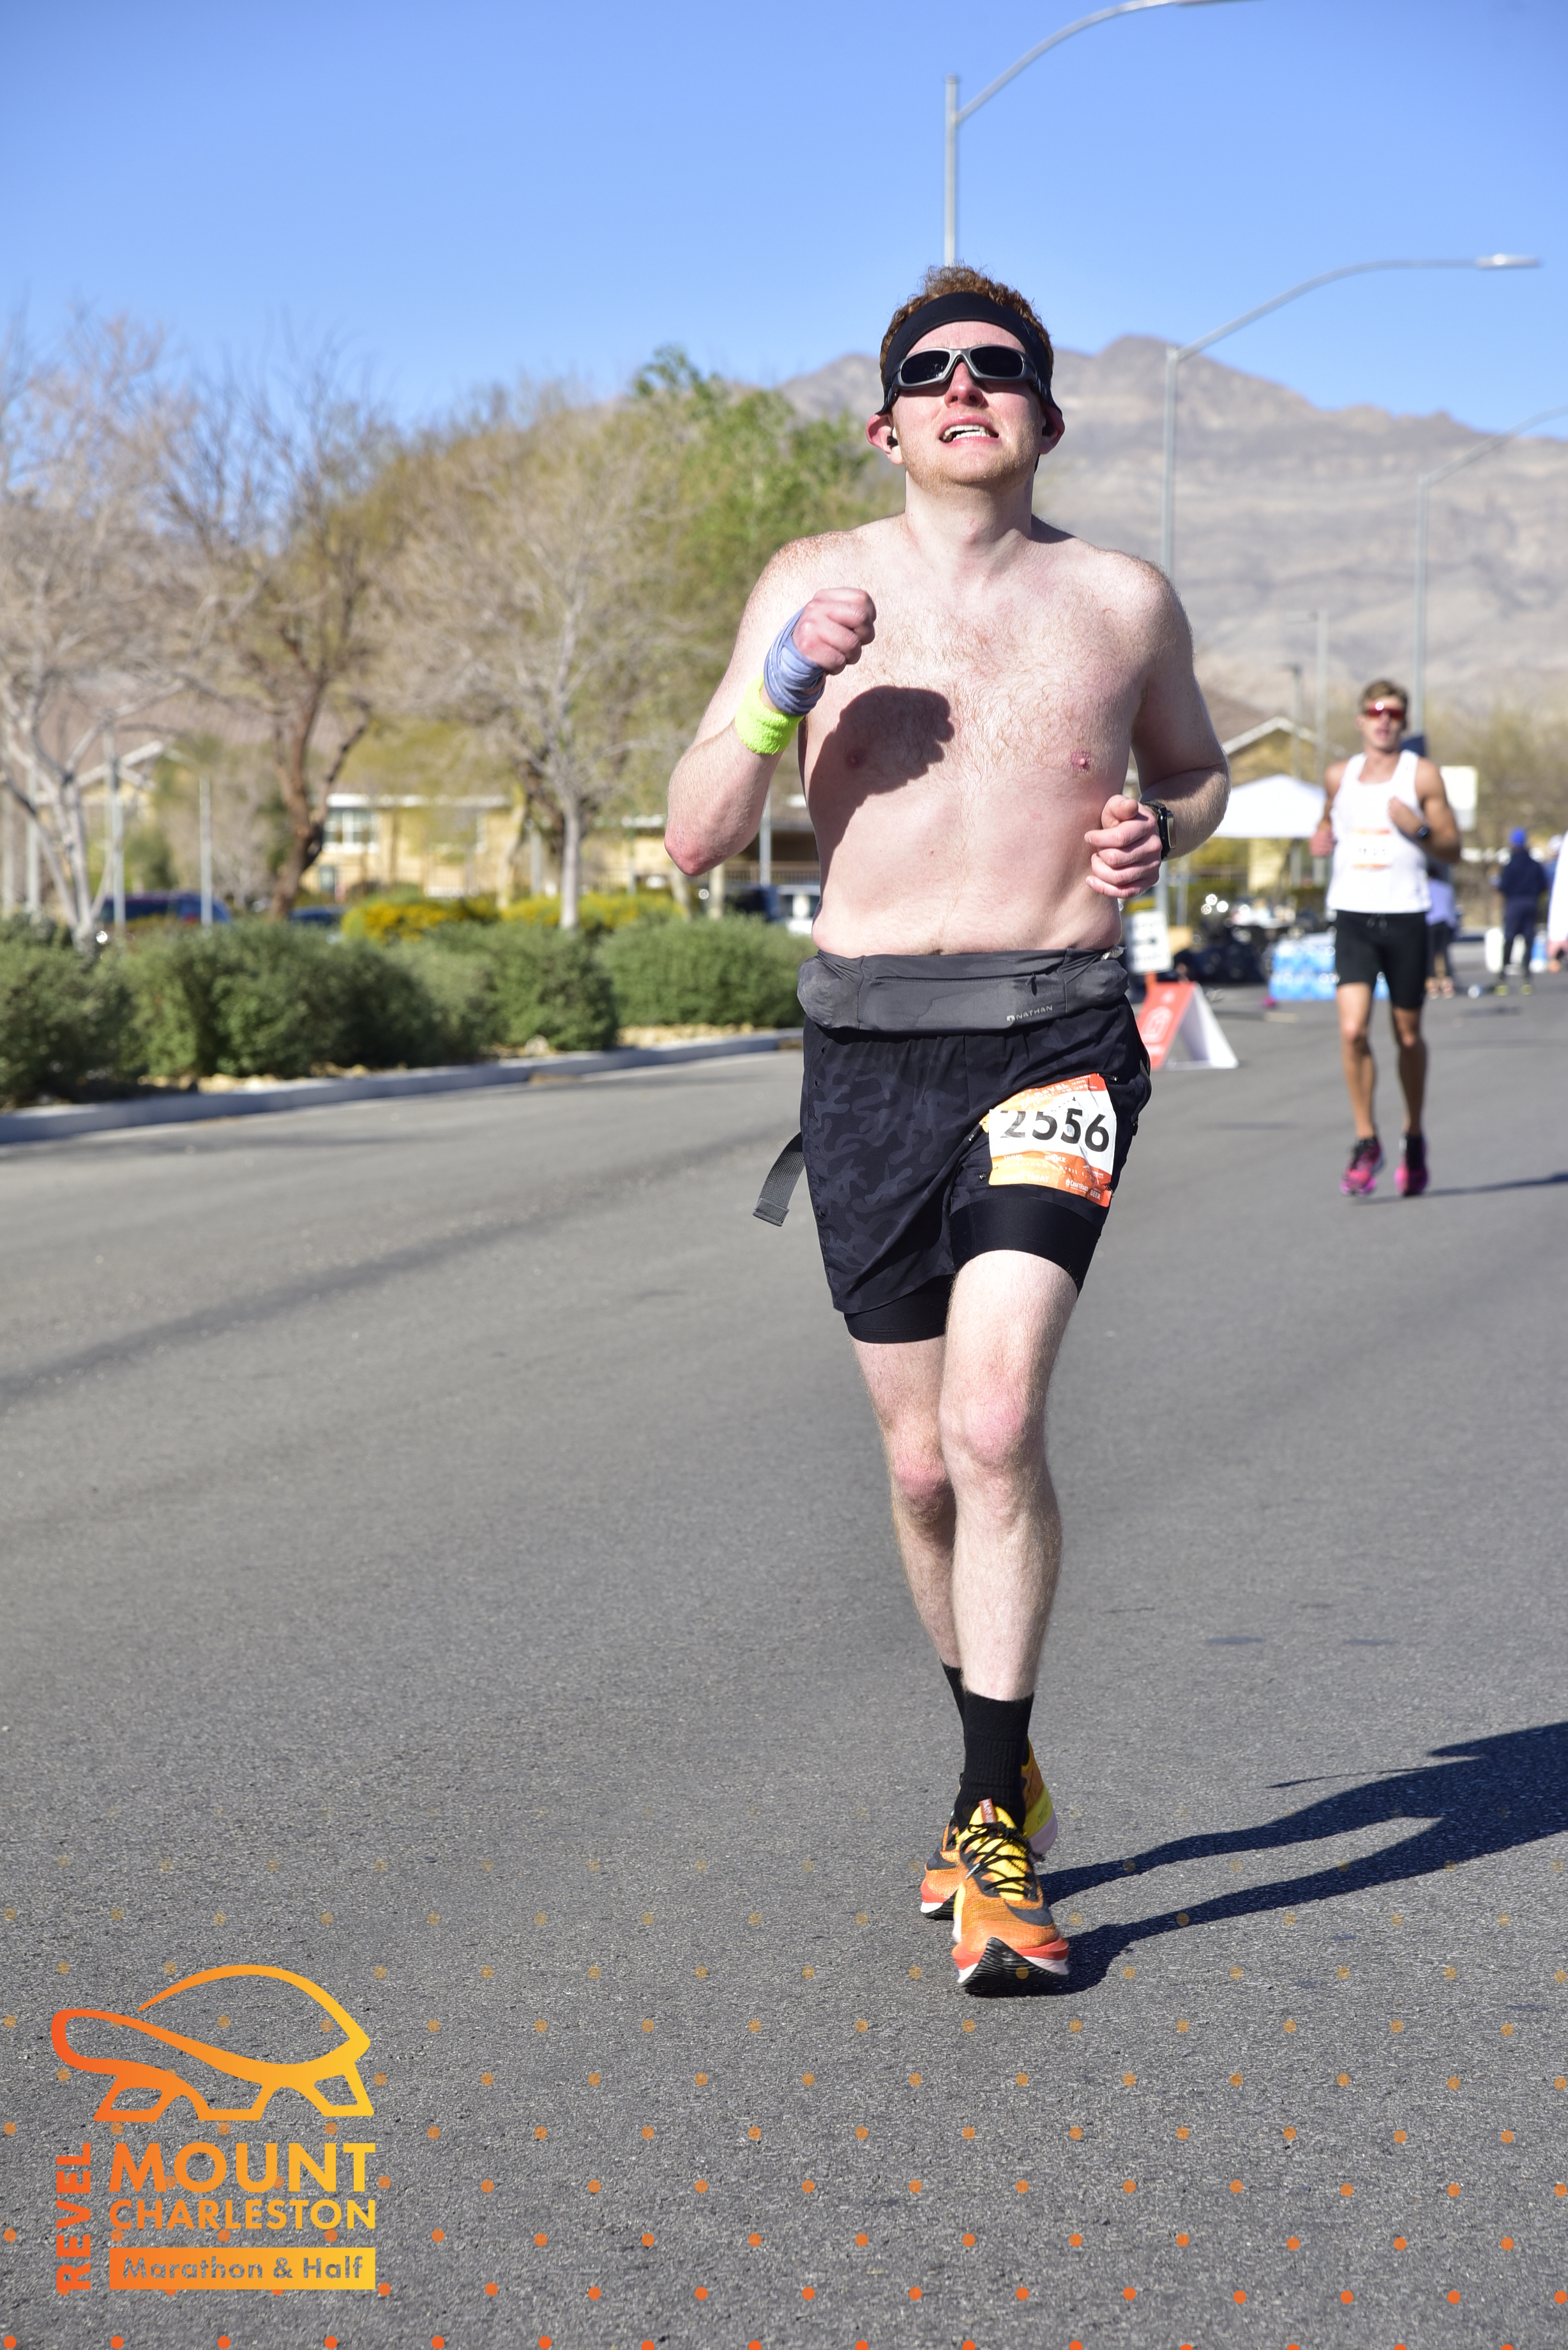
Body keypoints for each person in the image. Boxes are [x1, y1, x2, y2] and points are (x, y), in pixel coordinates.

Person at [665, 265, 1228, 1987]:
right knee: (918, 1467)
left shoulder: (1118, 598)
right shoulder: (810, 584)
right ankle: (1002, 1757)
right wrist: (778, 686)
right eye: (932, 369)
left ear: (1045, 414)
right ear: (884, 420)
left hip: (1059, 1037)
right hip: (867, 1057)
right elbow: (694, 835)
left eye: (998, 366)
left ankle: (990, 1828)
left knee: (992, 1422)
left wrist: (1159, 831)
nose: (964, 386)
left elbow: (1192, 772)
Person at [1308, 680, 1461, 1198]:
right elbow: (1327, 822)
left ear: (1403, 722)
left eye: (1393, 713)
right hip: (1353, 915)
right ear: (1360, 720)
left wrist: (1418, 829)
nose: (1384, 720)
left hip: (1406, 916)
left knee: (1407, 1035)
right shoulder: (1339, 775)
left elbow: (1453, 849)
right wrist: (1321, 837)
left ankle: (1413, 1135)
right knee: (1353, 1030)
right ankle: (1366, 1140)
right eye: (1375, 711)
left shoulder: (1422, 775)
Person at [1491, 827, 1547, 994]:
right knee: (1528, 940)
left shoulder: (1510, 865)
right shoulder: (1535, 865)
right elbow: (1543, 886)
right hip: (1531, 903)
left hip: (1514, 904)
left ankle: (1502, 980)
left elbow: (1503, 887)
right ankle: (1527, 980)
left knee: (1509, 939)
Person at [1424, 859, 1458, 996]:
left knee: (1430, 954)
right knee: (1444, 953)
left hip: (1430, 923)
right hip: (1445, 923)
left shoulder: (1425, 888)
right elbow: (1452, 909)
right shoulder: (1446, 888)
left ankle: (1432, 984)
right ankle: (1447, 983)